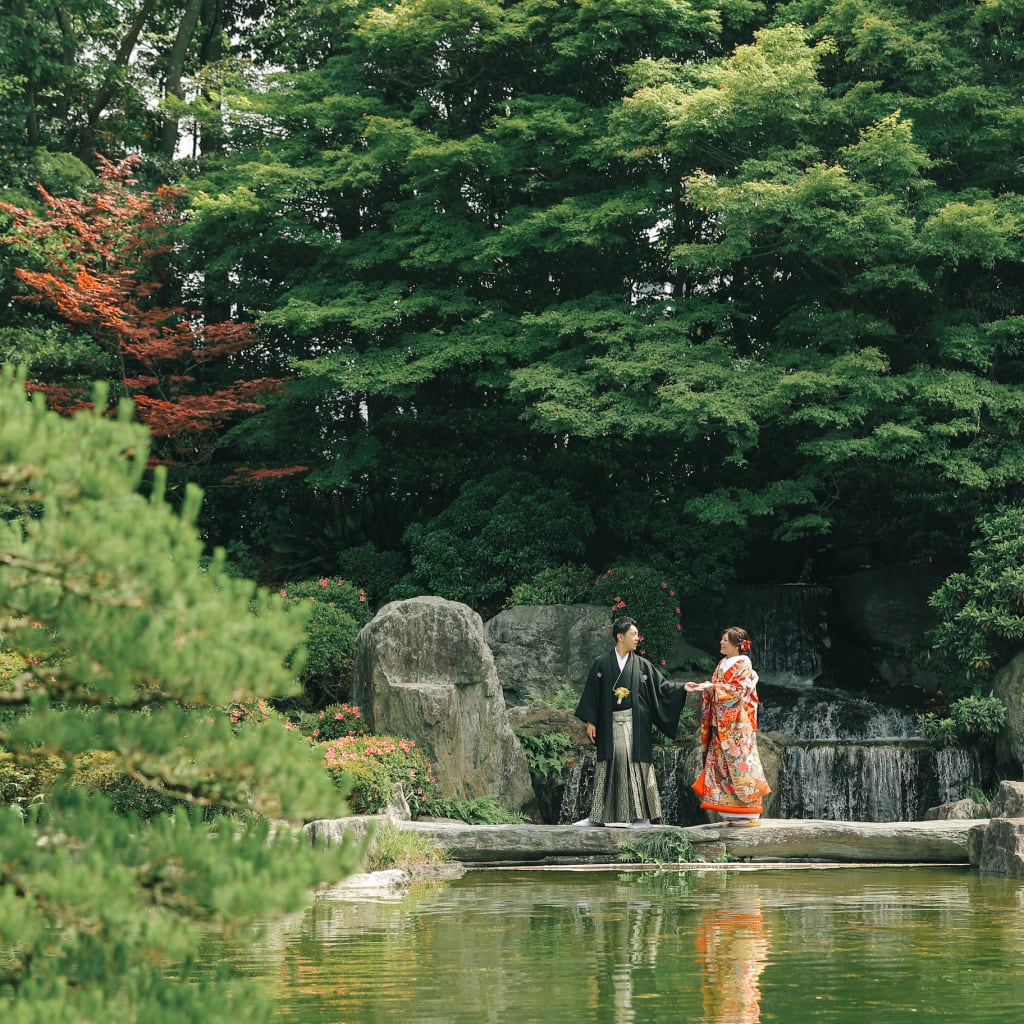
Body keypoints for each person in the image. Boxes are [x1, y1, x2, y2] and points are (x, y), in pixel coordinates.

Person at [574, 616, 687, 827]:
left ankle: (641, 817)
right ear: (620, 636)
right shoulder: (602, 664)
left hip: (636, 725)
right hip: (610, 725)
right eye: (633, 634)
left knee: (637, 767)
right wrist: (591, 721)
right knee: (607, 767)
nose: (637, 638)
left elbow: (662, 688)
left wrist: (683, 689)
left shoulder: (642, 665)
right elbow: (593, 694)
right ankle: (598, 817)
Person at [685, 626, 771, 826]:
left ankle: (748, 811)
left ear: (737, 645)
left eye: (726, 640)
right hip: (721, 724)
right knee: (722, 767)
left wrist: (712, 687)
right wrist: (705, 688)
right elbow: (720, 688)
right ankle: (729, 810)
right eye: (722, 639)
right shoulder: (723, 662)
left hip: (737, 725)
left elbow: (739, 690)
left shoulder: (744, 662)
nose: (721, 643)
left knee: (742, 766)